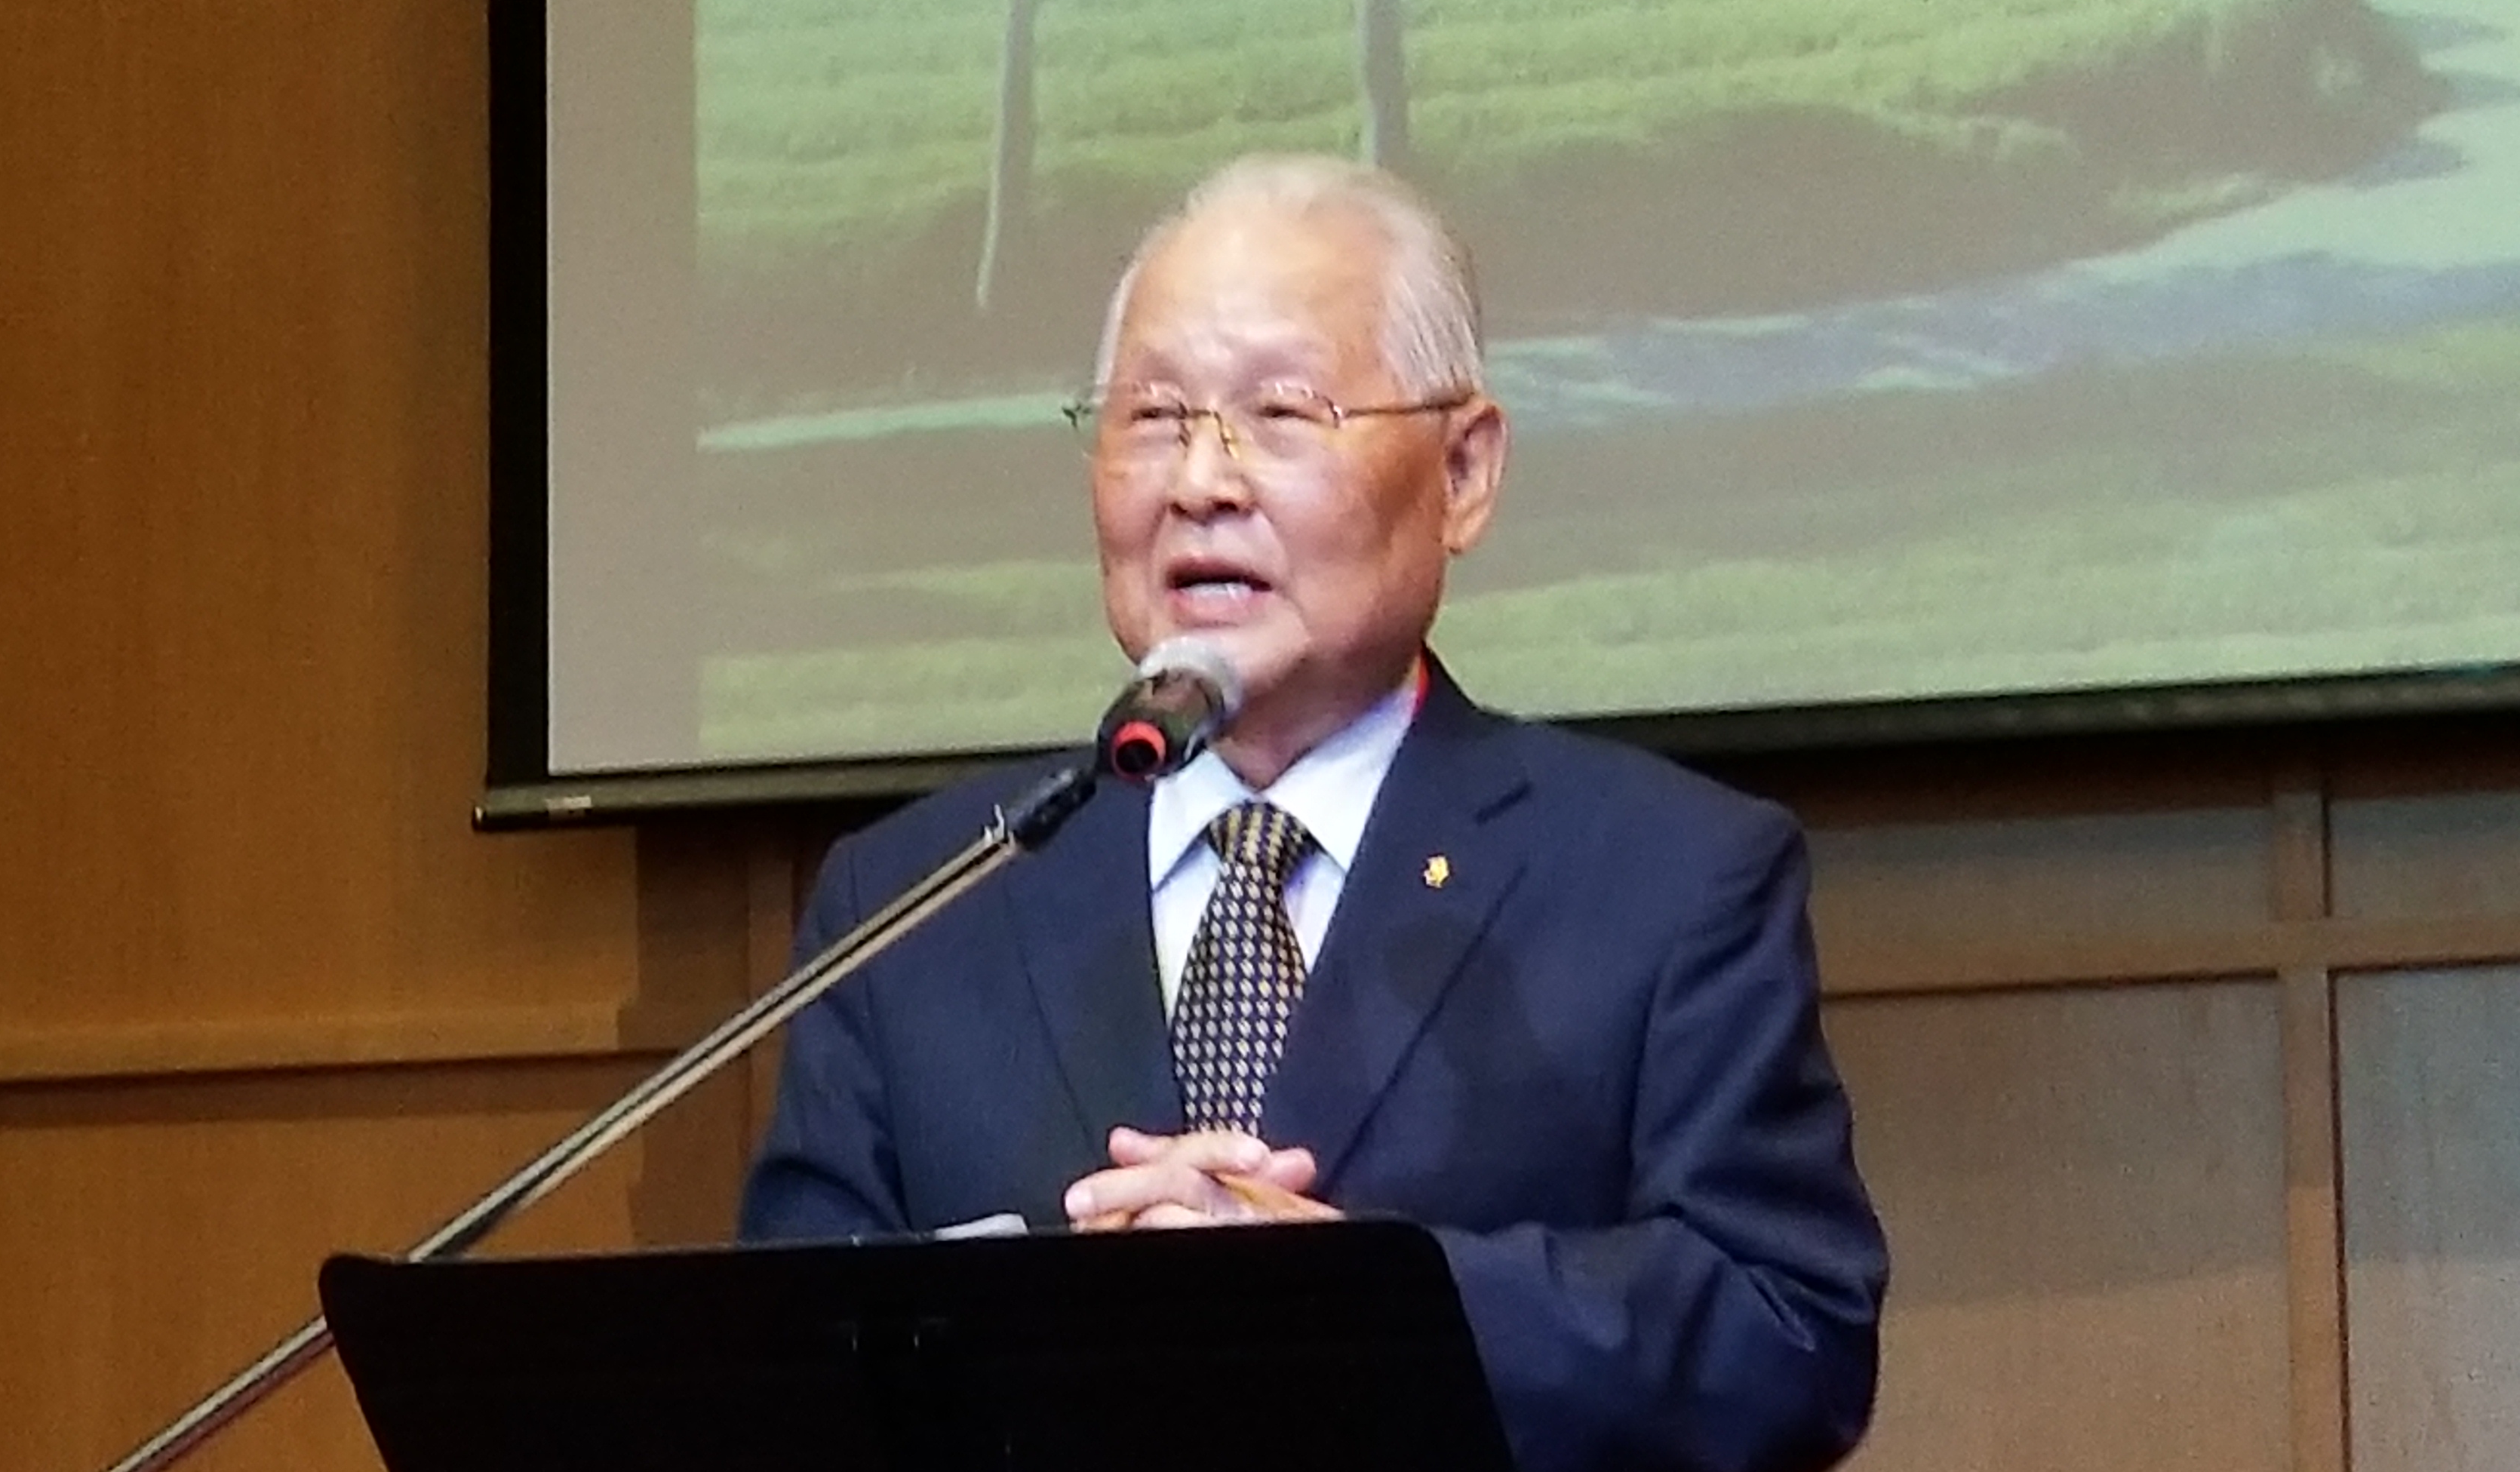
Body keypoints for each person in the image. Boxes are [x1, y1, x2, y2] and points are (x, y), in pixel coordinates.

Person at [738, 153, 1885, 1472]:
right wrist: (1043, 1328)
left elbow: (1789, 1335)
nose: (1201, 482)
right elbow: (784, 1377)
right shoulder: (913, 905)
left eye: (1280, 414)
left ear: (1464, 471)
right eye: (1153, 417)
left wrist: (1361, 1309)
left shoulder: (1666, 879)